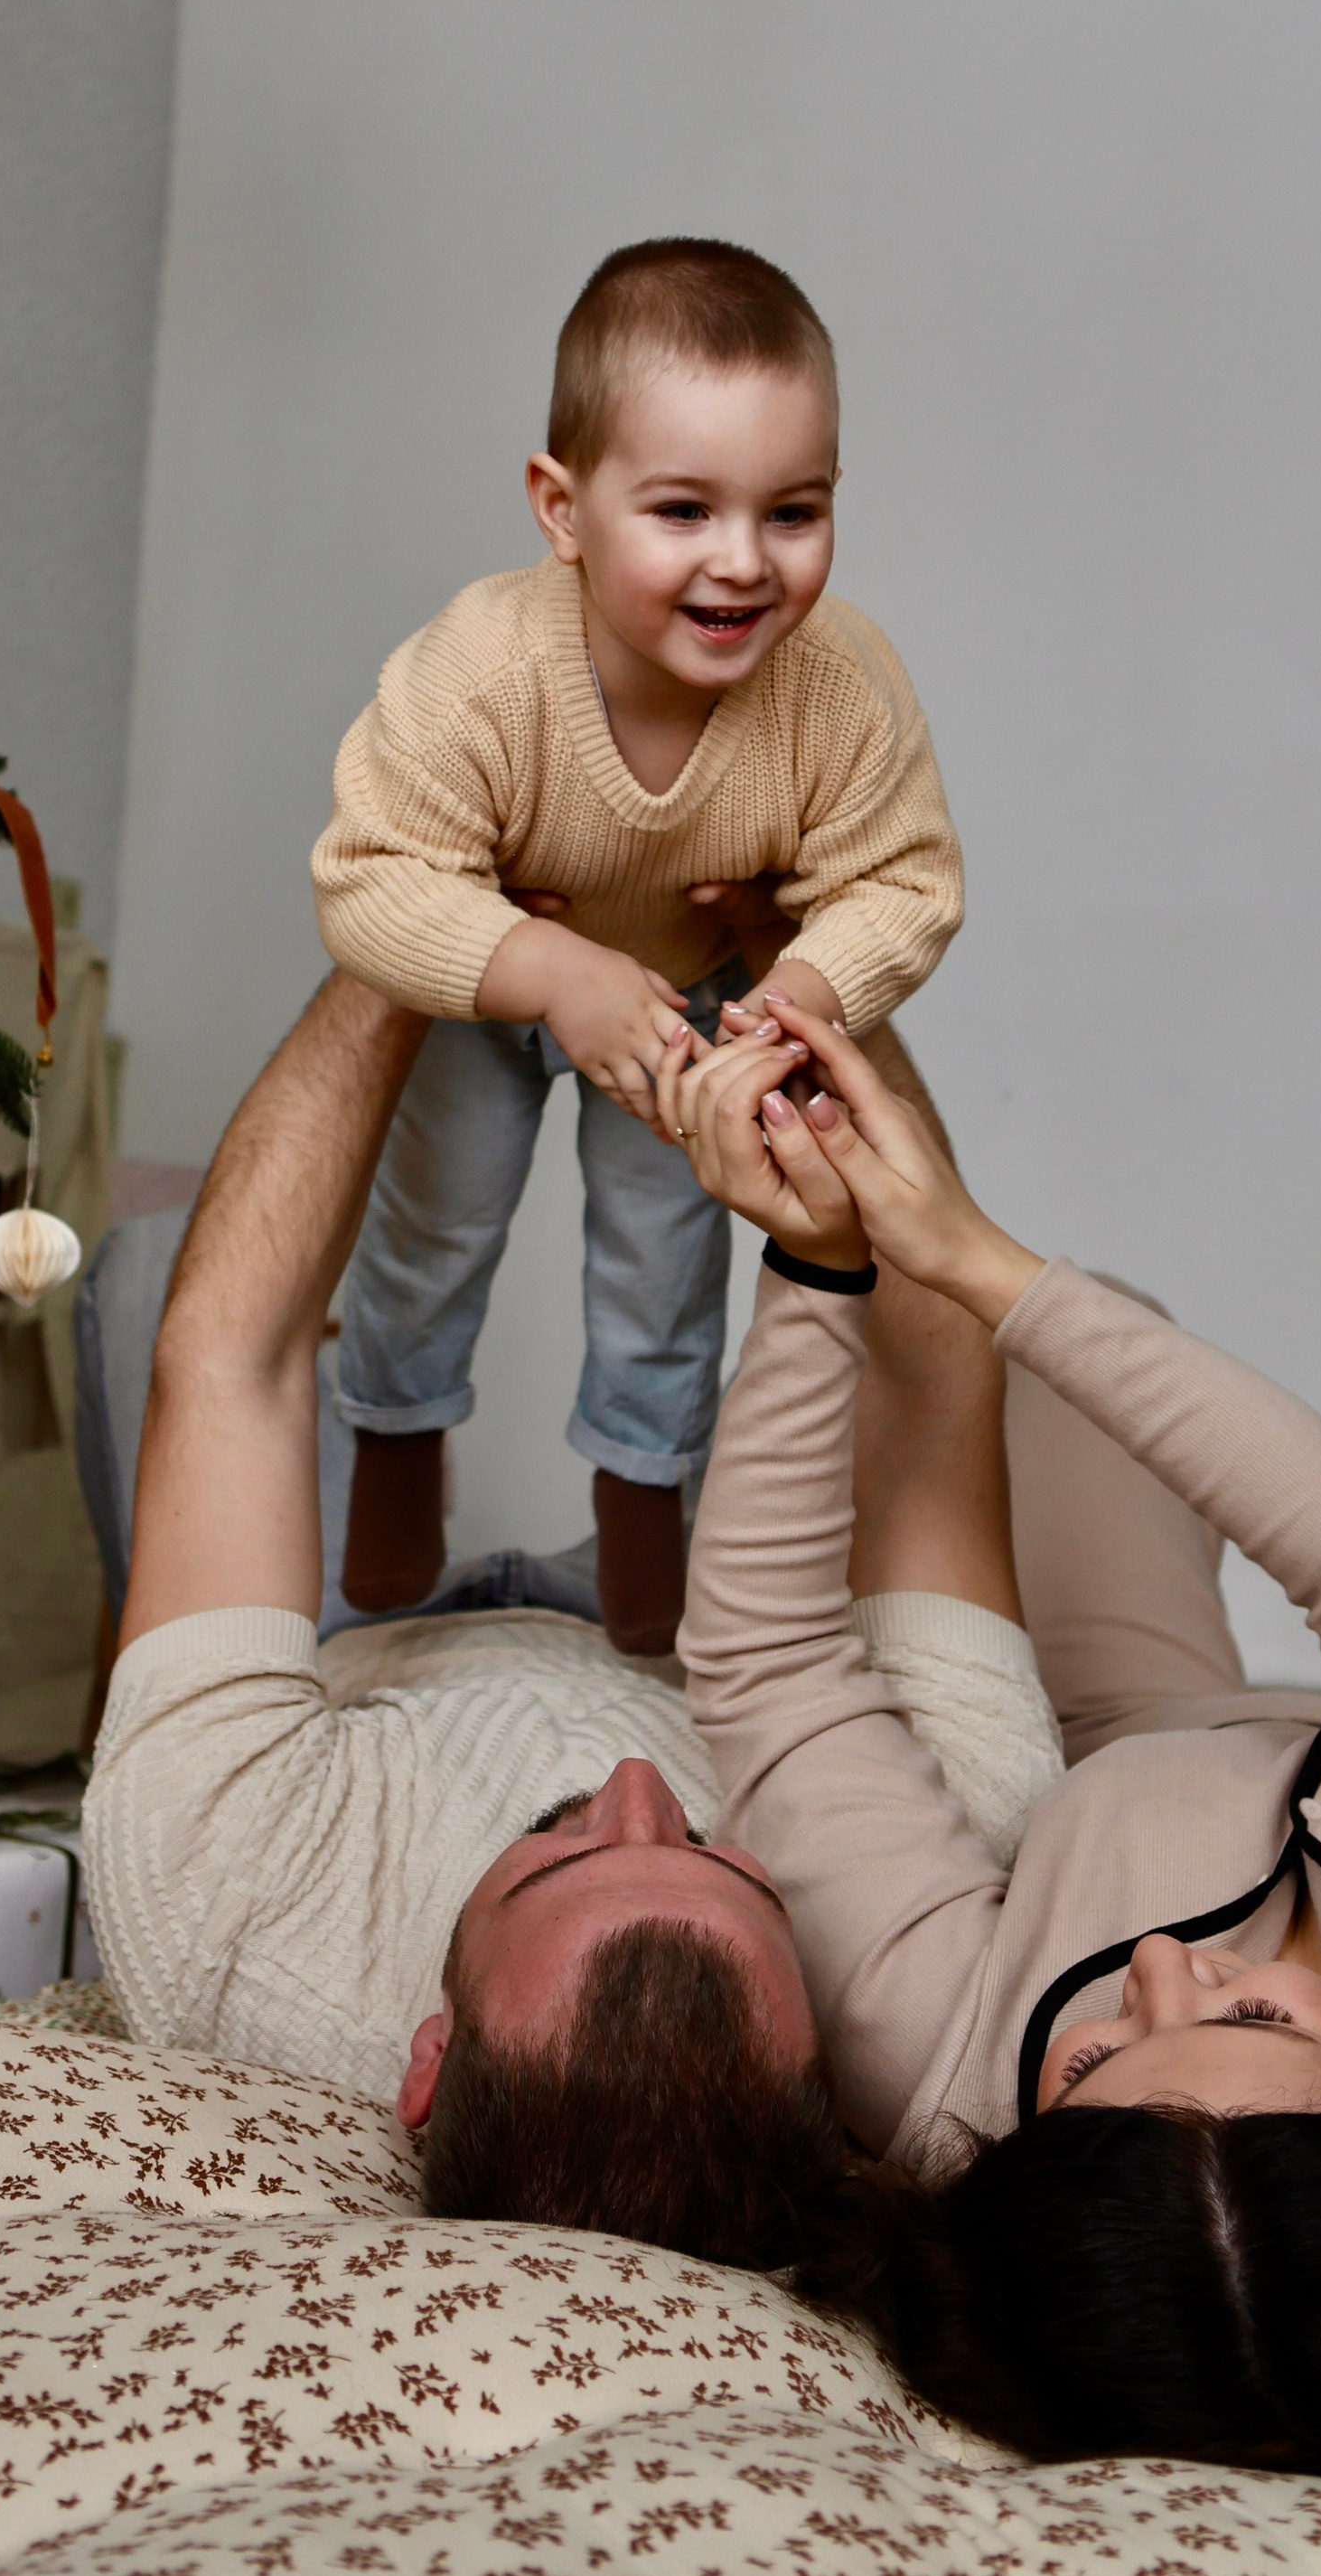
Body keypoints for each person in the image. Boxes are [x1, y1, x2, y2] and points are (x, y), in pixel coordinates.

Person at [660, 996, 1321, 2480]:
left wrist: (811, 1265)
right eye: (1256, 2022)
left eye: (1097, 2054)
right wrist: (987, 1262)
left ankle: (778, 988)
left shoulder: (951, 2091)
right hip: (1302, 1719)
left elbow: (769, 1662)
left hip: (1106, 1754)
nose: (1159, 1974)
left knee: (968, 1347)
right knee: (1080, 1313)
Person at [79, 967, 1063, 2262]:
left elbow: (231, 1360)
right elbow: (937, 1400)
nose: (640, 1779)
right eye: (726, 1862)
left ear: (426, 2060)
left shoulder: (237, 1927)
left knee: (159, 1268)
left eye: (567, 1852)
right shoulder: (947, 1898)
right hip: (694, 1633)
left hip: (344, 1669)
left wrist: (421, 938)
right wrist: (809, 980)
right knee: (1036, 1346)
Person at [310, 239, 962, 1652]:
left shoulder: (837, 684)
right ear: (564, 509)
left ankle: (640, 1504)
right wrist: (546, 972)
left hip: (702, 990)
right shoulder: (481, 667)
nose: (743, 562)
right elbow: (368, 878)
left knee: (665, 1256)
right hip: (494, 974)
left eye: (794, 511)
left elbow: (902, 882)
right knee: (435, 1221)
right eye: (684, 510)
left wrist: (795, 989)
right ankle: (398, 1438)